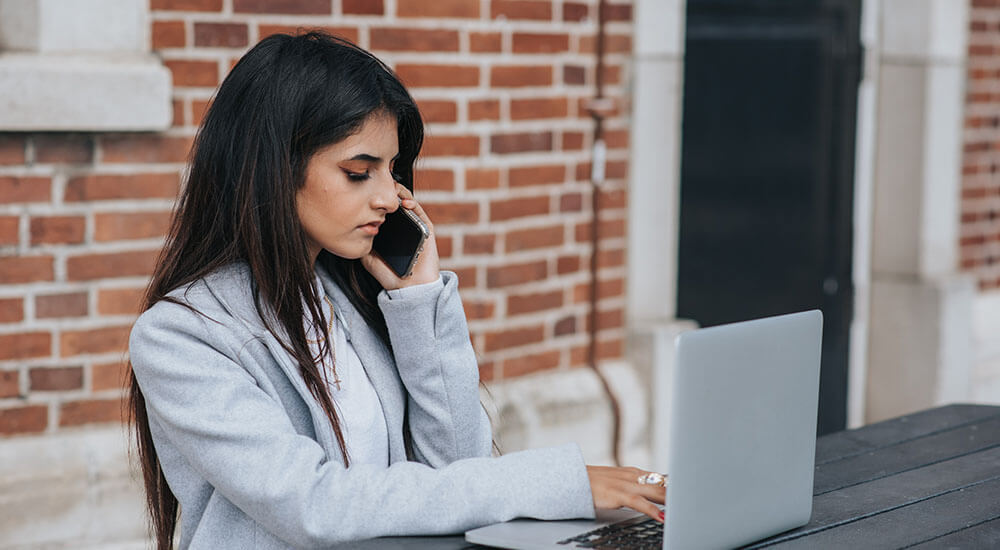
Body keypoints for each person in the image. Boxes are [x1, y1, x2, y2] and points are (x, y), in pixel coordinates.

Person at [127, 32, 665, 550]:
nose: (390, 196)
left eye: (391, 169)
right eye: (360, 172)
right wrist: (552, 483)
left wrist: (420, 300)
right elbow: (315, 507)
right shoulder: (181, 337)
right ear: (274, 169)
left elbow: (457, 468)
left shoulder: (348, 300)